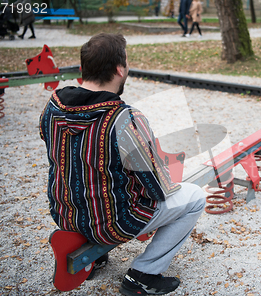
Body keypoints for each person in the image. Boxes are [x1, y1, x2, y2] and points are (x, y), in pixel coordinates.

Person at [39, 33, 206, 296]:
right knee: (194, 196)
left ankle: (92, 254)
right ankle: (143, 275)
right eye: (126, 62)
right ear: (119, 69)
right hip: (112, 222)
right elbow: (156, 188)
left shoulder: (53, 107)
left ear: (85, 69)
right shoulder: (124, 119)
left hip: (65, 214)